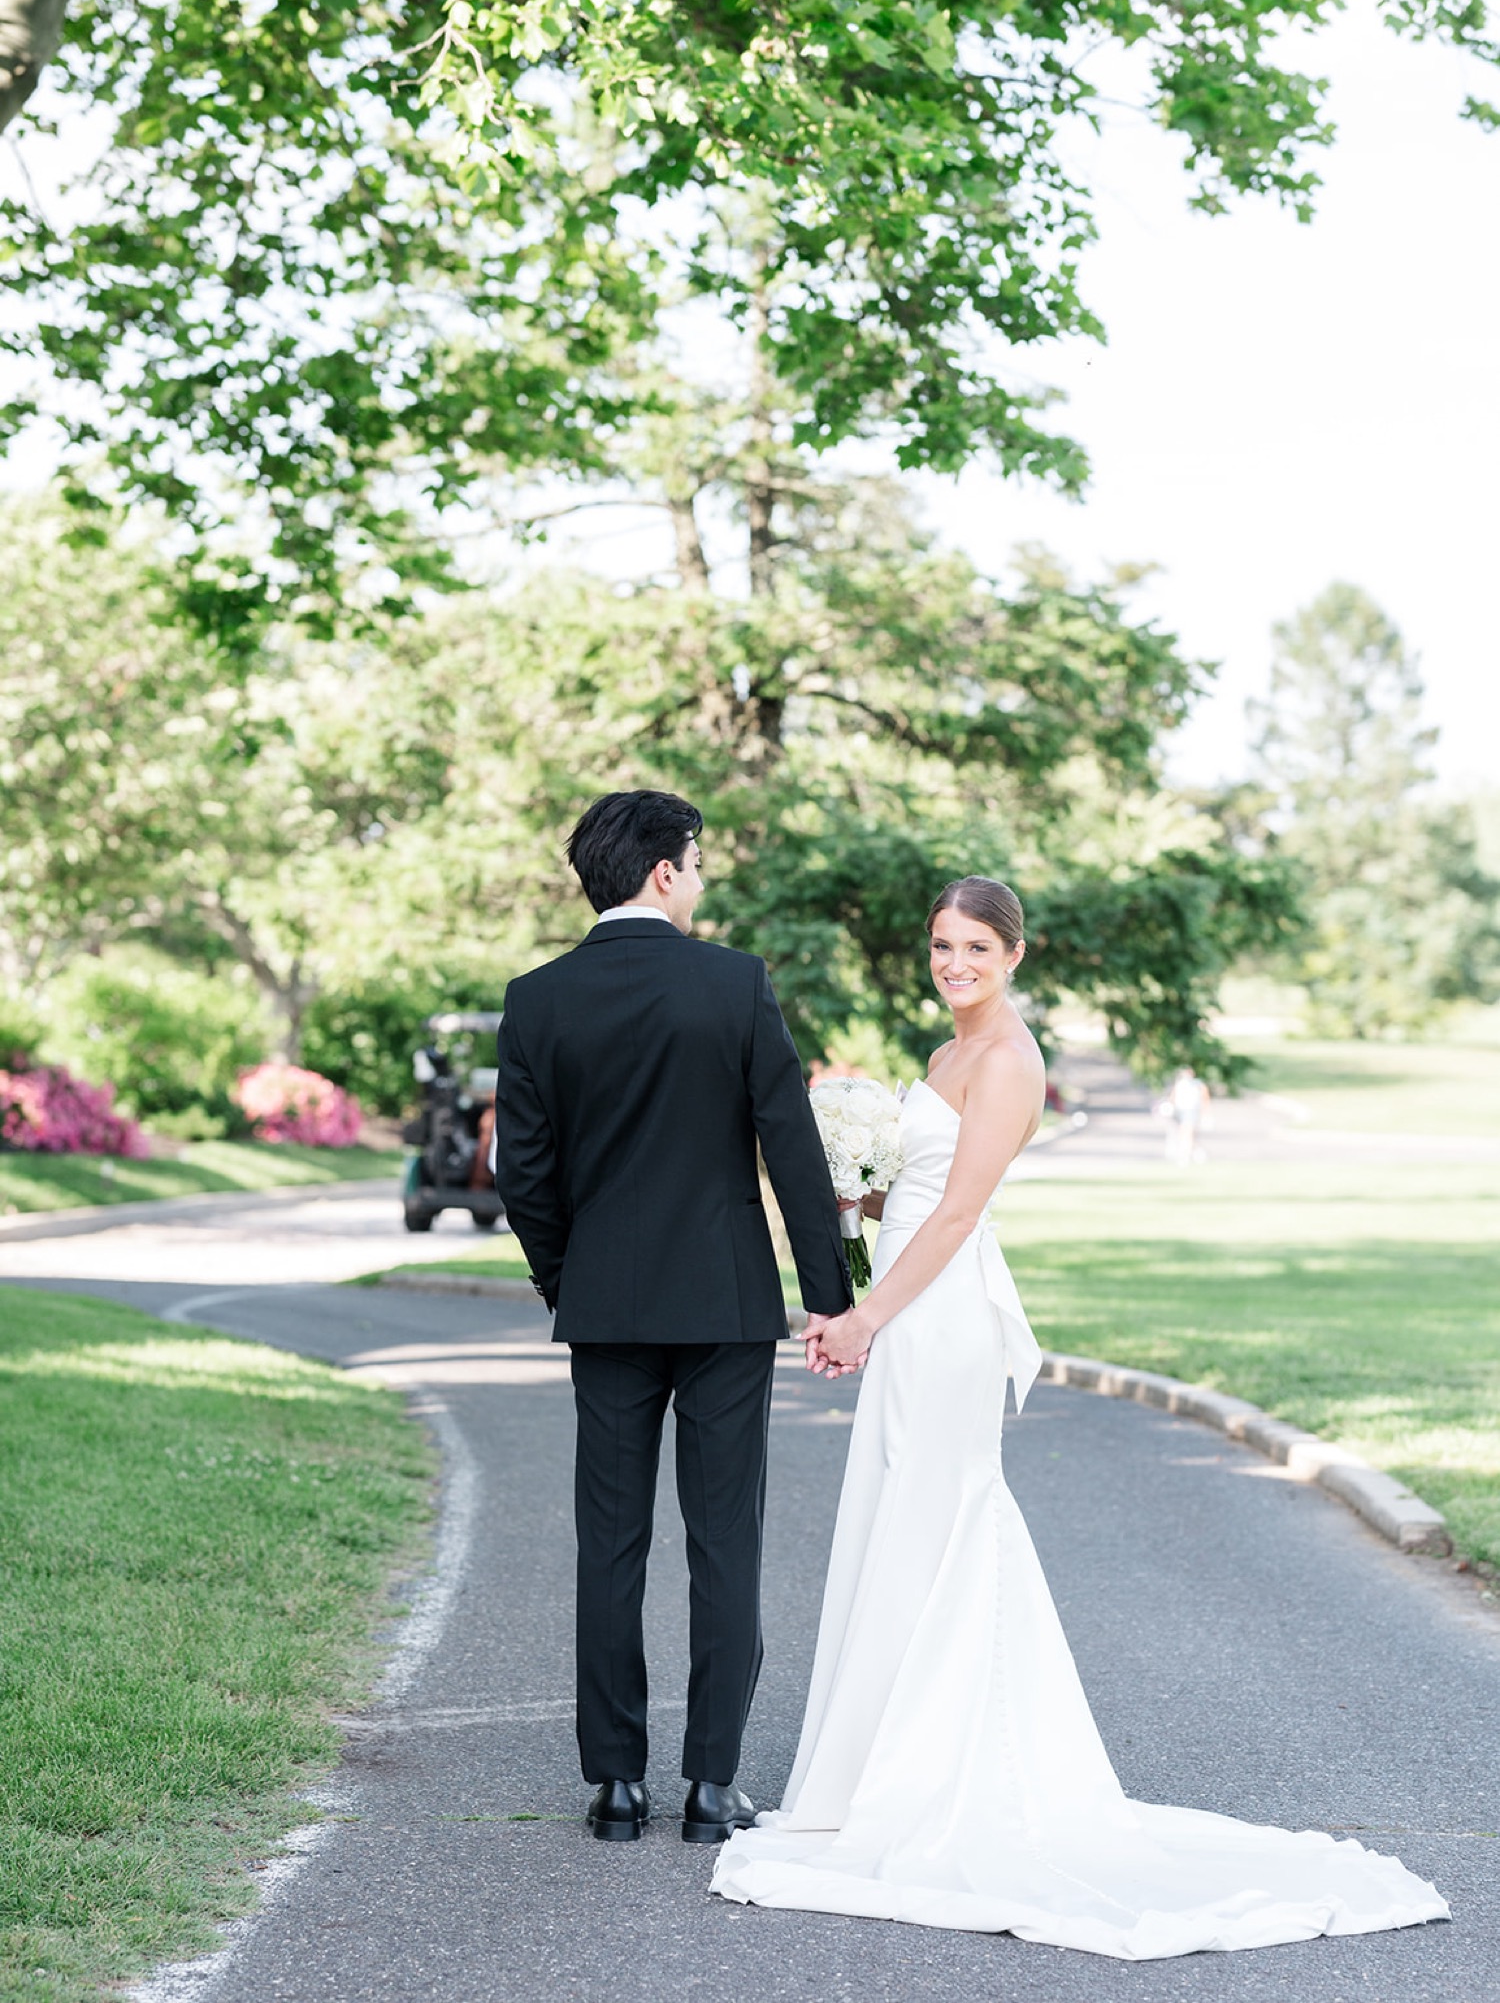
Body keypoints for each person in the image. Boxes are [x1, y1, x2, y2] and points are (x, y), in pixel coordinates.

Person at [710, 876, 1448, 1958]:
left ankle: (939, 1776)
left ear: (1015, 953)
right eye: (941, 944)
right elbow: (917, 1189)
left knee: (941, 1523)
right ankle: (875, 1768)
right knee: (898, 1527)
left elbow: (961, 1210)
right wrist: (859, 1200)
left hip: (941, 1314)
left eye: (974, 946)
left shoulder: (1009, 1060)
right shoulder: (944, 1054)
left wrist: (864, 1310)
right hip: (911, 1305)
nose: (953, 961)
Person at [492, 789, 853, 1846]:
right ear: (662, 871)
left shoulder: (537, 997)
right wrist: (832, 1298)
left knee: (609, 1543)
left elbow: (525, 1173)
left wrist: (569, 1276)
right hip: (728, 1303)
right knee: (724, 1539)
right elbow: (790, 1146)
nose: (701, 880)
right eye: (696, 862)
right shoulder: (735, 983)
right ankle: (710, 1787)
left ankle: (613, 1787)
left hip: (605, 1303)